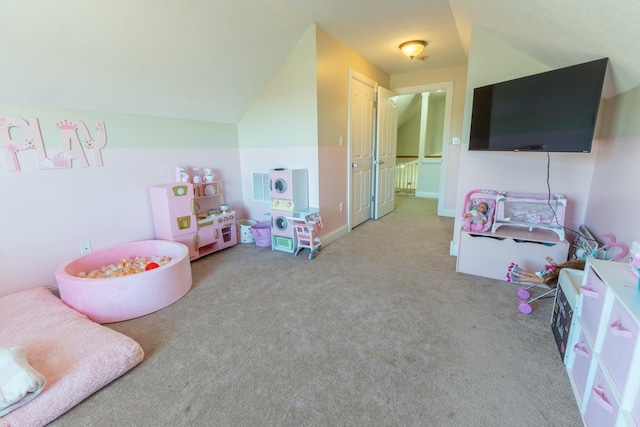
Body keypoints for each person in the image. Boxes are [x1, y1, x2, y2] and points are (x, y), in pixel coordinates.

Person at [506, 257, 586, 287]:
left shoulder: (572, 273)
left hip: (552, 280)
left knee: (539, 279)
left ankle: (519, 279)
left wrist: (552, 263)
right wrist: (551, 261)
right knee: (534, 275)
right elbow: (557, 267)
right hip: (551, 274)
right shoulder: (566, 268)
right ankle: (519, 271)